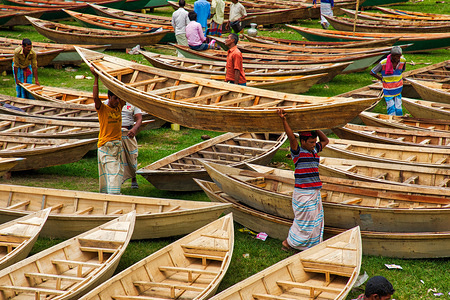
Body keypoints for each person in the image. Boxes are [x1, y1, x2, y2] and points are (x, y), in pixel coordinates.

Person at [277, 108, 329, 252]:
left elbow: (326, 140)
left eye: (314, 142)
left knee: (313, 221)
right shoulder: (298, 152)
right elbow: (292, 138)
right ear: (303, 141)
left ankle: (307, 245)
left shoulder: (314, 150)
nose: (314, 144)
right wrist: (284, 120)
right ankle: (289, 243)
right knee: (304, 222)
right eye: (311, 142)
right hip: (303, 194)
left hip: (314, 192)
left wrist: (315, 128)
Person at [91, 67, 126, 195]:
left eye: (118, 99)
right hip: (106, 146)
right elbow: (95, 98)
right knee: (113, 174)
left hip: (117, 146)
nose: (118, 101)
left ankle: (108, 197)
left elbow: (123, 92)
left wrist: (113, 78)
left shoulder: (120, 106)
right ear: (109, 97)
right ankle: (114, 198)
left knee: (117, 172)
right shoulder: (103, 109)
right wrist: (96, 77)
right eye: (115, 98)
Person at [370, 46, 406, 116]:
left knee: (398, 107)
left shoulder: (403, 61)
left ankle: (399, 119)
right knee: (391, 106)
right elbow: (372, 72)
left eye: (399, 56)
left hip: (398, 87)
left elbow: (402, 70)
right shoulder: (383, 63)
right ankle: (391, 120)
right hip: (388, 88)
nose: (398, 58)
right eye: (396, 56)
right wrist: (382, 79)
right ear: (392, 56)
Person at [121, 103, 142, 189]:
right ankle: (117, 182)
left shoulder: (132, 102)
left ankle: (134, 178)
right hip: (115, 133)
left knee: (132, 156)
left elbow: (139, 118)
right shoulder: (111, 102)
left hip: (129, 132)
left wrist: (134, 129)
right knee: (117, 157)